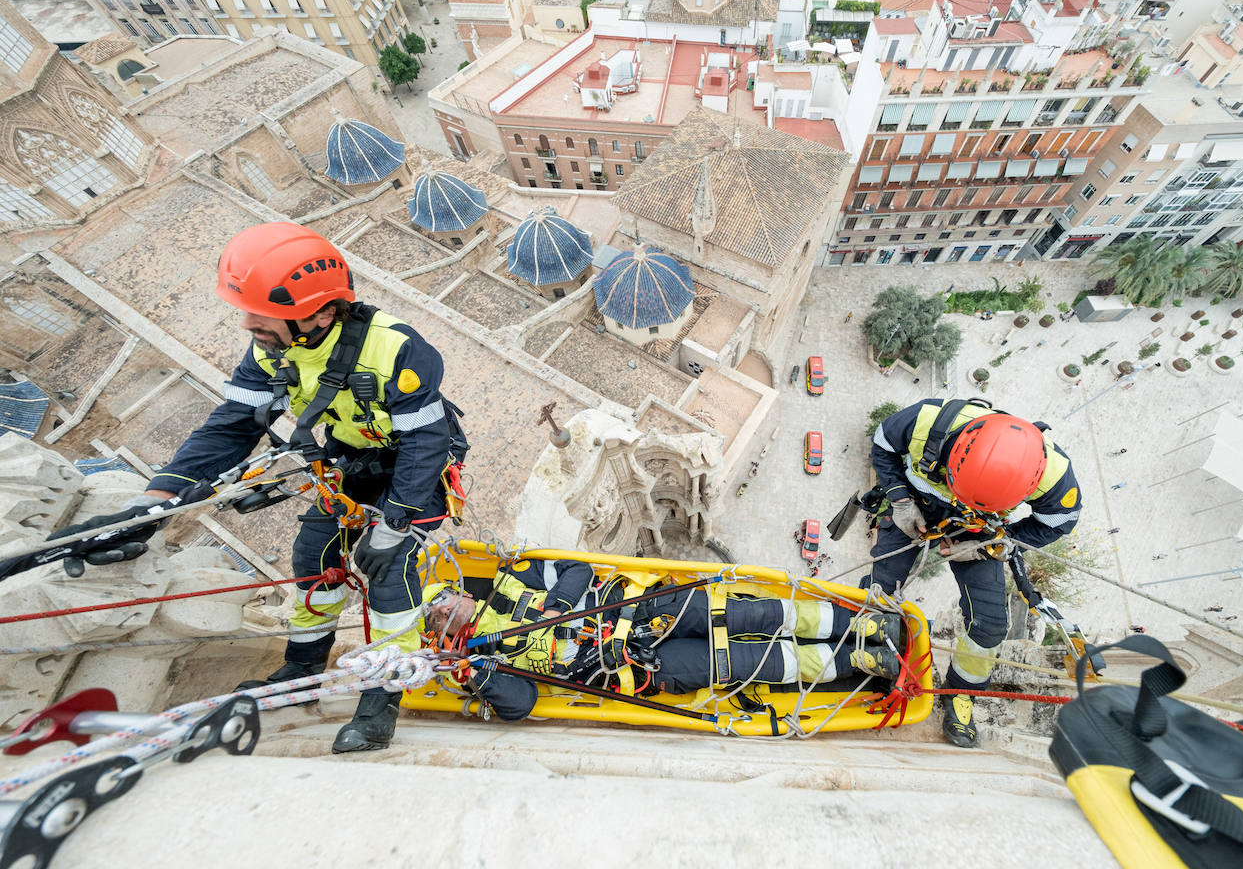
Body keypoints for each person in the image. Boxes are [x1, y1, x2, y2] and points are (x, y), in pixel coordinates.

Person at [52, 222, 469, 754]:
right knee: (314, 556)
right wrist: (153, 503)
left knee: (390, 575)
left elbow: (426, 443)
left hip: (416, 471)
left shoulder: (398, 350)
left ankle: (383, 692)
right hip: (355, 460)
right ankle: (301, 669)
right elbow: (232, 426)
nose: (247, 324)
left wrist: (396, 523)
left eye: (259, 314)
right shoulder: (273, 348)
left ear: (319, 312)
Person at [864, 398, 1080, 748]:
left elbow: (1058, 521)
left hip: (979, 527)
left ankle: (961, 693)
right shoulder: (927, 420)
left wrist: (996, 543)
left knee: (991, 624)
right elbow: (883, 445)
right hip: (918, 502)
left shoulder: (1051, 472)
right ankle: (870, 659)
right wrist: (901, 500)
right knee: (878, 595)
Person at [428, 566, 904, 722]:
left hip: (635, 610)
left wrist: (556, 607)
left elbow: (577, 570)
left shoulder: (514, 579)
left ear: (461, 593)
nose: (445, 613)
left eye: (443, 602)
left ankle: (862, 625)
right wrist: (473, 672)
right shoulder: (481, 662)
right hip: (627, 664)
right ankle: (857, 660)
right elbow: (522, 702)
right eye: (437, 619)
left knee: (747, 614)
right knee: (742, 660)